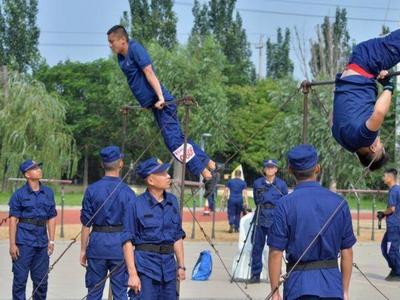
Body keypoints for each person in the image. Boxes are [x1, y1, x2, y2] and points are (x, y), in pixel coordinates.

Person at [107, 25, 219, 198]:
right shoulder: (121, 58)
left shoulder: (135, 49)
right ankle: (212, 165)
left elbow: (149, 72)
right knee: (179, 140)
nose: (110, 45)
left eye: (111, 41)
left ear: (122, 40)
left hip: (162, 103)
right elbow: (135, 80)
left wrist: (160, 98)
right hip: (153, 104)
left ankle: (207, 175)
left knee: (175, 144)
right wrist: (145, 102)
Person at [268, 144, 356, 300]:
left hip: (299, 287)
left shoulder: (284, 204)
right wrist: (345, 290)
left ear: (290, 170)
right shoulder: (339, 203)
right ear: (317, 168)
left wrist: (275, 293)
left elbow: (276, 253)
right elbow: (347, 252)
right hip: (332, 287)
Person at [331, 30, 400, 171]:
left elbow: (379, 113)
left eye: (381, 145)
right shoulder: (343, 140)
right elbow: (332, 116)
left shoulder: (365, 138)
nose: (379, 140)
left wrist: (388, 86)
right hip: (357, 63)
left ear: (374, 148)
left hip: (367, 62)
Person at [122, 157, 186, 299]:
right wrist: (132, 275)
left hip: (169, 270)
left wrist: (181, 265)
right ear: (150, 180)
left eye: (167, 173)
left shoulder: (173, 202)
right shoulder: (135, 205)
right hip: (146, 270)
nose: (168, 176)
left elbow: (177, 235)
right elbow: (127, 242)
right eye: (163, 174)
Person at [80, 146, 136, 299]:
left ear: (102, 164)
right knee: (120, 293)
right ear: (121, 164)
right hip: (120, 244)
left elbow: (86, 223)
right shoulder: (128, 193)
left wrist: (83, 250)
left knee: (94, 292)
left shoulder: (92, 190)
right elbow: (133, 225)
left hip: (97, 243)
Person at [8, 160, 57, 300]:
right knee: (20, 281)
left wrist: (51, 240)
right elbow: (13, 220)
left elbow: (52, 217)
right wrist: (12, 244)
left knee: (41, 282)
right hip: (23, 243)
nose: (39, 170)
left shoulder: (48, 193)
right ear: (27, 174)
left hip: (42, 244)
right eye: (34, 168)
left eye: (38, 167)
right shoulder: (19, 195)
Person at [249, 159, 288, 283]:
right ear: (264, 169)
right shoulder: (257, 183)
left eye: (272, 167)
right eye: (267, 167)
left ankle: (277, 274)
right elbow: (256, 200)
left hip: (275, 218)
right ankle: (255, 274)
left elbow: (285, 201)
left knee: (277, 247)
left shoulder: (281, 184)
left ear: (276, 169)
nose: (270, 169)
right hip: (261, 217)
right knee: (257, 246)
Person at [379, 168, 400, 281]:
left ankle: (398, 272)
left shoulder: (394, 190)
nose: (383, 178)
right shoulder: (397, 189)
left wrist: (383, 213)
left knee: (391, 249)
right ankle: (394, 268)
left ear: (390, 178)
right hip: (394, 225)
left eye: (385, 176)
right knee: (384, 247)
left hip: (394, 225)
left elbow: (391, 209)